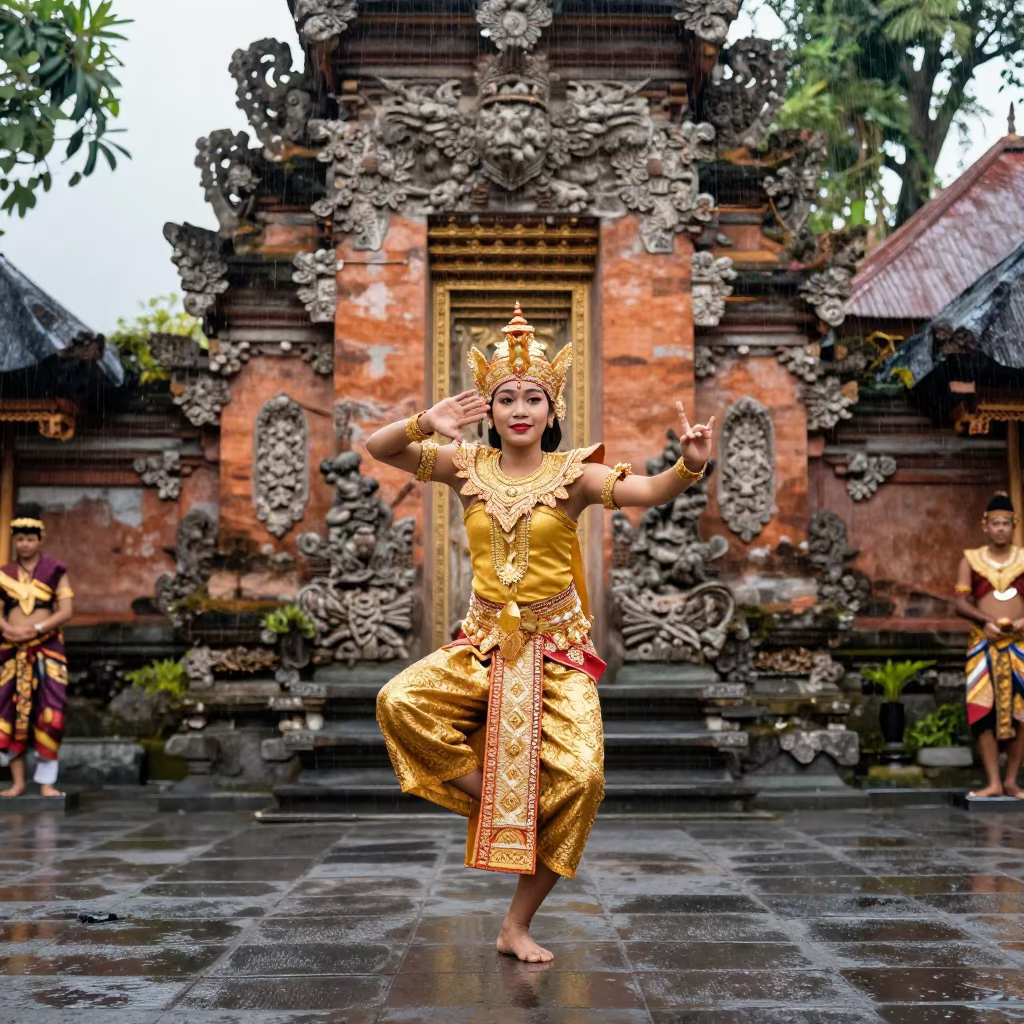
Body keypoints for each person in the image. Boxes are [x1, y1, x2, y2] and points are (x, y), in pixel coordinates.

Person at [369, 302, 714, 962]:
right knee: (398, 703)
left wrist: (690, 464)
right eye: (506, 399)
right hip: (482, 645)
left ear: (552, 412)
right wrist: (426, 421)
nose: (520, 408)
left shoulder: (574, 476)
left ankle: (516, 924)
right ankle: (502, 798)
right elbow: (377, 449)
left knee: (581, 782)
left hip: (557, 650)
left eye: (533, 398)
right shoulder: (463, 467)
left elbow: (650, 491)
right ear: (491, 412)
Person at [0, 506, 74, 798]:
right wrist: (6, 629)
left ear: (40, 539)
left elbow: (66, 610)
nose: (25, 544)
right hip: (10, 650)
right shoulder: (4, 574)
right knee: (8, 711)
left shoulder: (55, 570)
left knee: (50, 712)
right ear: (14, 541)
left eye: (30, 539)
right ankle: (17, 782)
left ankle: (46, 782)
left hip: (47, 649)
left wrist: (38, 628)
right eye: (20, 539)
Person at [954, 492, 1024, 798]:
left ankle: (1011, 780)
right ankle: (993, 781)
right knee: (982, 710)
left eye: (1005, 523)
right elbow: (959, 602)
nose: (1000, 528)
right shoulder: (970, 559)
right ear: (985, 525)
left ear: (1014, 525)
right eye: (994, 523)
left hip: (1021, 647)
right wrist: (985, 620)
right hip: (984, 645)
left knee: (1023, 714)